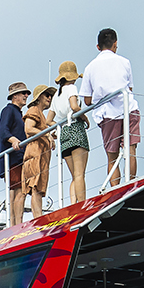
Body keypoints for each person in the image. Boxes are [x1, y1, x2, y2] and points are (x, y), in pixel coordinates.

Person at [80, 28, 139, 186]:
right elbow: (130, 88)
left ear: (98, 47)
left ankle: (115, 190)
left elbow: (86, 100)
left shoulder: (90, 68)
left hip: (107, 114)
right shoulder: (125, 62)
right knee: (131, 151)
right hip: (129, 108)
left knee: (112, 157)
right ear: (115, 44)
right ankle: (131, 185)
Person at [18, 86, 56, 222]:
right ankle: (38, 219)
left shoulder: (41, 114)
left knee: (38, 187)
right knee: (35, 187)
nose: (49, 98)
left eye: (50, 96)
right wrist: (47, 134)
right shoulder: (34, 110)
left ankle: (38, 218)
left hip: (41, 153)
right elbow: (28, 129)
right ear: (39, 97)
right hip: (35, 152)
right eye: (46, 95)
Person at [55, 60, 90, 205]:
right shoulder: (71, 88)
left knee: (74, 176)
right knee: (80, 174)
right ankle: (82, 204)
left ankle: (73, 204)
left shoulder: (57, 95)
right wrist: (85, 117)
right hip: (76, 129)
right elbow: (75, 107)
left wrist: (59, 126)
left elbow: (49, 120)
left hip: (64, 133)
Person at [0, 82, 30, 223]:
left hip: (18, 157)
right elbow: (3, 130)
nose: (26, 96)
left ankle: (16, 223)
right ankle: (16, 224)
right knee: (18, 191)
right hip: (12, 157)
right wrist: (14, 140)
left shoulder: (18, 113)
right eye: (23, 93)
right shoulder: (8, 110)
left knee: (19, 190)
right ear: (15, 96)